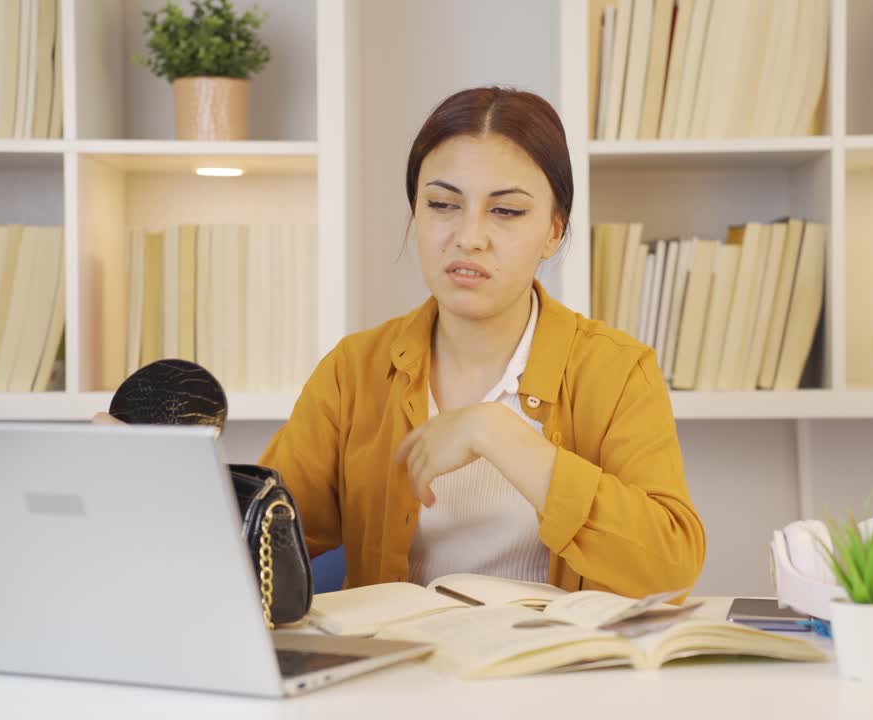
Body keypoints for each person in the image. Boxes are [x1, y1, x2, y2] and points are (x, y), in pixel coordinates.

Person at [259, 87, 705, 598]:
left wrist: (499, 434)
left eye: (507, 212)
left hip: (557, 672)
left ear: (553, 232)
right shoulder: (353, 371)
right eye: (443, 204)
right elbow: (259, 539)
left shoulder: (617, 371)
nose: (469, 236)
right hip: (400, 670)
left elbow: (670, 569)